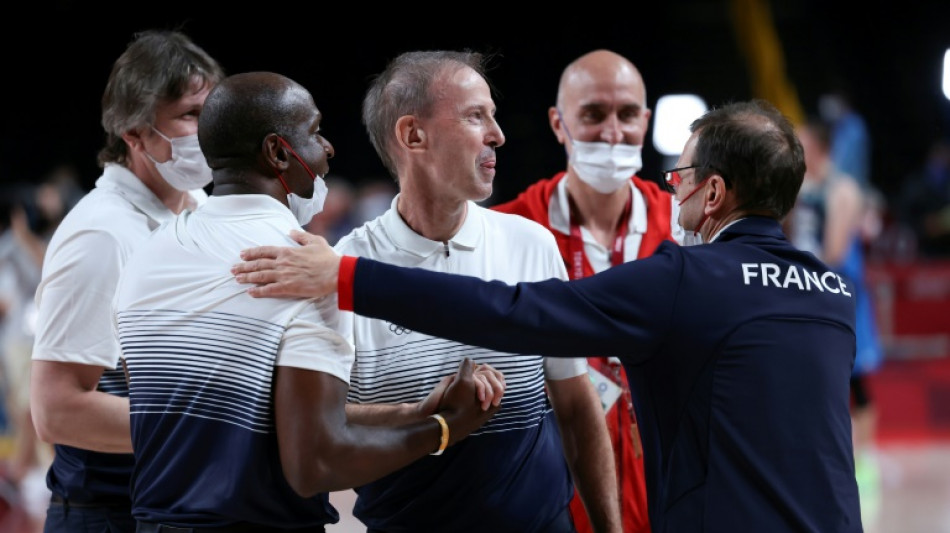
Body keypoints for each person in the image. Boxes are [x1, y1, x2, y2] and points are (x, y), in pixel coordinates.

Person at [233, 99, 864, 532]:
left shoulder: (683, 278)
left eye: (681, 177)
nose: (674, 191)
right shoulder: (834, 294)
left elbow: (513, 311)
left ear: (715, 193)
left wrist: (345, 277)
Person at [112, 70, 503, 531]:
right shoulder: (307, 268)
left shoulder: (145, 257)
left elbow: (223, 408)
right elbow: (314, 463)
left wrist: (409, 411)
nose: (329, 148)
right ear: (278, 152)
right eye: (315, 132)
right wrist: (443, 429)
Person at [321, 50, 619, 532]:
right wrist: (421, 414)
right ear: (412, 134)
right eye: (475, 116)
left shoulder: (531, 244)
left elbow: (575, 402)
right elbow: (324, 428)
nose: (497, 135)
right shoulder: (344, 271)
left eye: (493, 117)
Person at [28, 30, 225, 533]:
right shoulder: (103, 233)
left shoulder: (203, 211)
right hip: (111, 513)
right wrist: (219, 424)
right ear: (135, 134)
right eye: (190, 115)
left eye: (215, 111)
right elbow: (57, 410)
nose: (213, 129)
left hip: (183, 503)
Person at [491, 49, 682, 533]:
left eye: (627, 115)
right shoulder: (509, 228)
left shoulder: (686, 228)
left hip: (669, 486)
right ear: (559, 123)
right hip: (550, 494)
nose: (613, 133)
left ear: (647, 120)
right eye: (593, 115)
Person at [788, 118, 884, 522]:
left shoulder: (843, 189)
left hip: (841, 296)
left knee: (855, 382)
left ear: (821, 147)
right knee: (814, 383)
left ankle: (862, 460)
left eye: (802, 143)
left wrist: (797, 271)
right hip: (807, 294)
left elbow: (836, 250)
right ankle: (821, 460)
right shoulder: (797, 188)